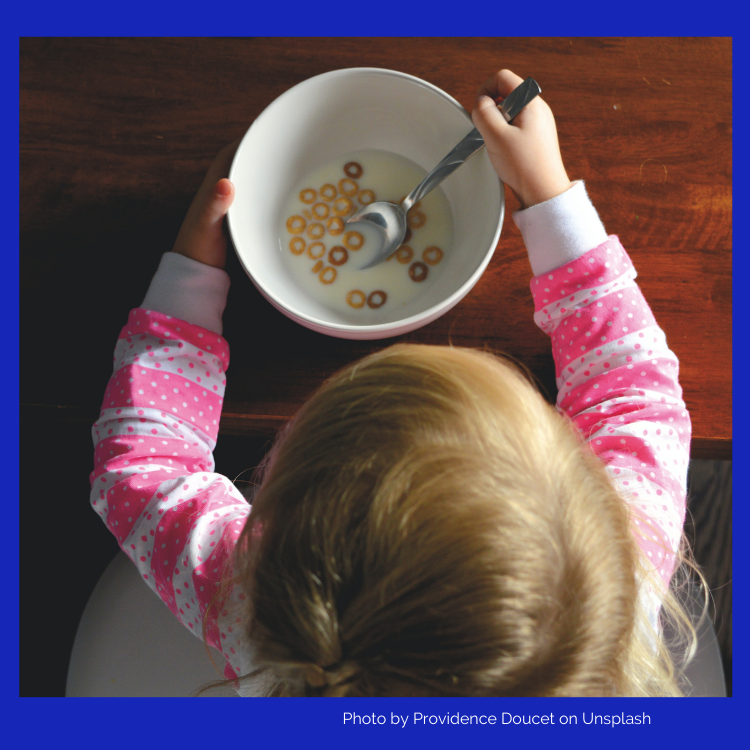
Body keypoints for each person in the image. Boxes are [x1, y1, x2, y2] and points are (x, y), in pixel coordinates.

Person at [89, 69, 698, 697]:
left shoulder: (254, 606)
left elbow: (141, 468)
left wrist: (189, 275)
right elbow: (632, 392)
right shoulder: (617, 585)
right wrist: (549, 194)